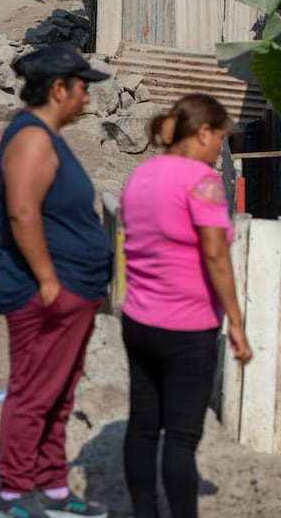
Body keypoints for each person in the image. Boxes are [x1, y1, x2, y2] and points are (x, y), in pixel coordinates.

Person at [0, 44, 112, 518]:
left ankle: (52, 486)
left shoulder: (46, 136)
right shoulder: (31, 139)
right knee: (34, 393)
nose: (87, 97)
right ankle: (14, 493)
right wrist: (47, 280)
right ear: (59, 88)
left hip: (71, 288)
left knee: (58, 394)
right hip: (45, 292)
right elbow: (22, 212)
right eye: (82, 88)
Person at [120, 94, 252, 518]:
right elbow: (215, 255)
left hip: (138, 320)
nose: (219, 150)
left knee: (143, 427)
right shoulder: (202, 182)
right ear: (202, 132)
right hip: (186, 328)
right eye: (220, 139)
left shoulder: (141, 174)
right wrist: (236, 321)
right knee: (180, 437)